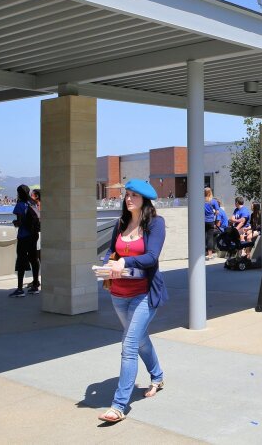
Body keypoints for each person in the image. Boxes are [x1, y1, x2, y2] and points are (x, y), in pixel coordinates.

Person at [98, 179, 168, 424]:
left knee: (128, 345)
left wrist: (125, 263)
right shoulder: (121, 223)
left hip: (144, 294)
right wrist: (108, 264)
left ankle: (118, 406)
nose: (128, 199)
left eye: (134, 196)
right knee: (139, 340)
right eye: (127, 195)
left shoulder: (156, 224)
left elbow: (151, 257)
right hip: (118, 293)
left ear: (145, 200)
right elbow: (111, 252)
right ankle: (158, 377)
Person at [10, 185, 40, 297]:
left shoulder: (20, 205)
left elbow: (19, 222)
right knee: (34, 259)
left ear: (19, 193)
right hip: (34, 235)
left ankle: (19, 288)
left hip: (23, 236)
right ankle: (35, 285)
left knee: (21, 261)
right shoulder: (33, 203)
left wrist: (15, 222)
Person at [203, 187, 219, 259]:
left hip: (202, 221)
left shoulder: (201, 201)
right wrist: (214, 214)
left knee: (203, 237)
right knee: (210, 237)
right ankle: (210, 254)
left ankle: (202, 253)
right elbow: (217, 211)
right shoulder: (213, 201)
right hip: (210, 221)